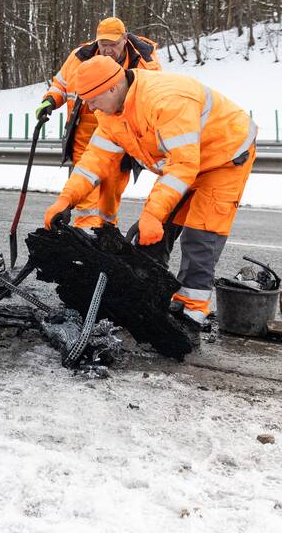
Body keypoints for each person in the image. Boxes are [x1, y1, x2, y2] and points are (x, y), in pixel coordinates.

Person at [42, 56, 257, 327]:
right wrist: (66, 199)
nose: (88, 106)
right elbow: (94, 161)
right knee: (152, 235)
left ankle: (191, 310)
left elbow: (182, 165)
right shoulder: (110, 112)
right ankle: (149, 296)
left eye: (92, 99)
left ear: (112, 88)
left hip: (224, 157)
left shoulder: (165, 101)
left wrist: (154, 213)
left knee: (200, 235)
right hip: (184, 161)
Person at [35, 17, 161, 230]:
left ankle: (105, 235)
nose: (108, 49)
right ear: (96, 40)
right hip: (84, 139)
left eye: (113, 44)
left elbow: (152, 97)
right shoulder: (79, 57)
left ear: (124, 38)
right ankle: (87, 236)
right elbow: (61, 84)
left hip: (120, 140)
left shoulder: (144, 62)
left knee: (109, 198)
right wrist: (50, 100)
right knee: (86, 196)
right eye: (104, 44)